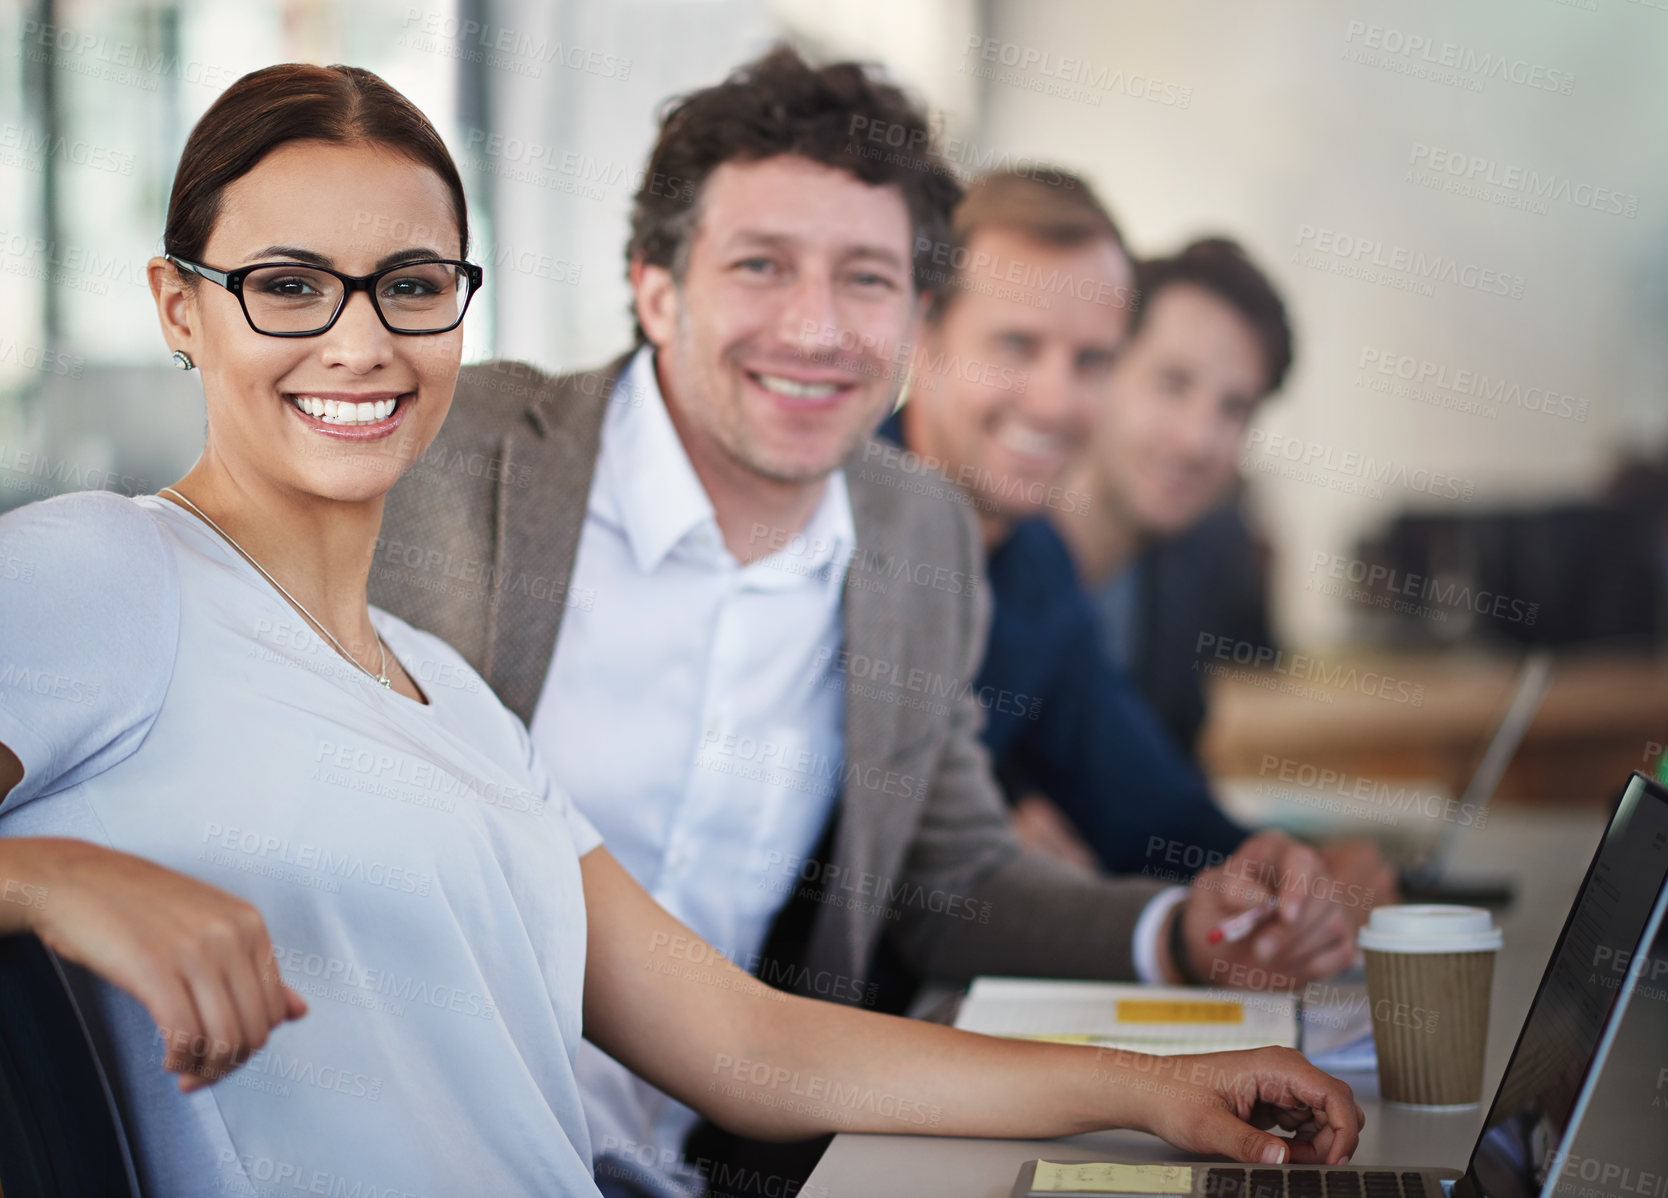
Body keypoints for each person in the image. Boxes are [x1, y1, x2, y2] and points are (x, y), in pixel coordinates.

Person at [0, 63, 1366, 1198]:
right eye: (288, 284)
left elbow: (746, 1039)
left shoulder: (457, 704)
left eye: (411, 284)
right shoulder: (108, 570)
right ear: (180, 307)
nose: (358, 340)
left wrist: (1167, 1093)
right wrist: (50, 874)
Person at [894, 173, 1396, 901]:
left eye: (1089, 361)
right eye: (1015, 345)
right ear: (922, 337)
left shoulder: (1037, 566)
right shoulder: (824, 523)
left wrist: (1294, 876)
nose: (1055, 399)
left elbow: (1143, 806)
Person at [1051, 238, 1291, 763]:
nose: (1197, 440)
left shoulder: (1205, 552)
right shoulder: (985, 542)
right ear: (1102, 366)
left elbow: (1170, 782)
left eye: (1234, 408)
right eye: (1173, 384)